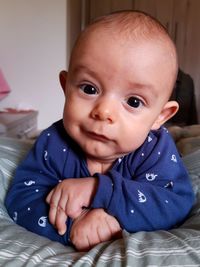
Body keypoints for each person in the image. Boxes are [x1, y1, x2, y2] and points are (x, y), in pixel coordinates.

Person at [5, 11, 195, 252]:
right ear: (66, 87)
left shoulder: (155, 149)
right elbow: (22, 198)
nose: (104, 111)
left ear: (160, 116)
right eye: (89, 88)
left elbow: (175, 203)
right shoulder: (53, 143)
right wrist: (76, 222)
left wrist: (99, 190)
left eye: (134, 102)